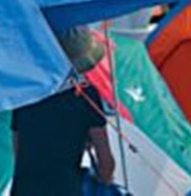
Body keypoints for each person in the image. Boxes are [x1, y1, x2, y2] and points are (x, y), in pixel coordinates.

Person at [10, 27, 115, 196]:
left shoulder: (26, 93)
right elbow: (105, 162)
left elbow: (18, 151)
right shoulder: (85, 96)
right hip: (66, 189)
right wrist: (106, 182)